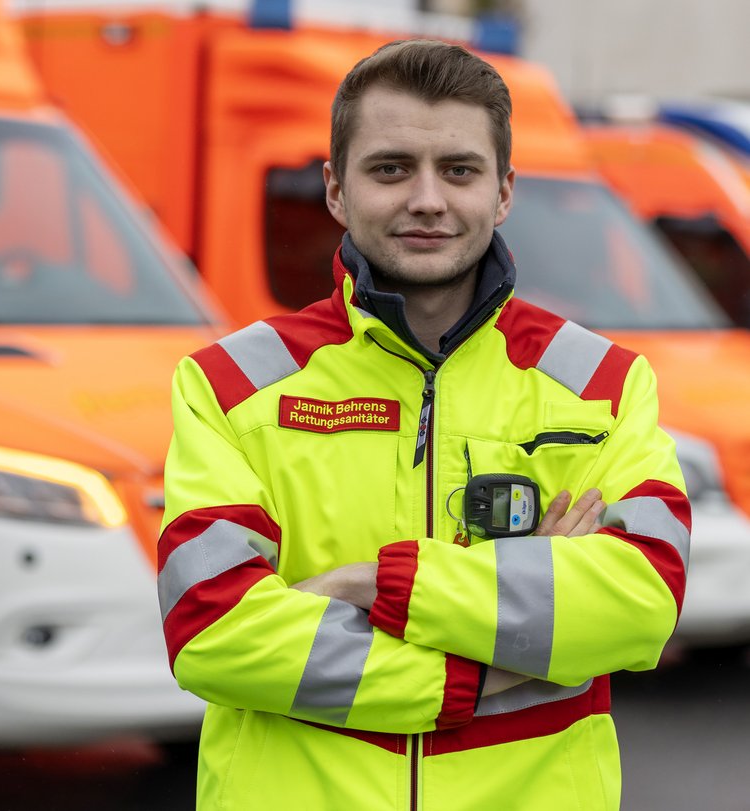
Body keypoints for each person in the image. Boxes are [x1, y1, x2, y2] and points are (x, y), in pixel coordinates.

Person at [158, 39, 690, 810]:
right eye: (391, 168)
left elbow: (643, 600)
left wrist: (378, 582)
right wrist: (482, 664)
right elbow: (212, 629)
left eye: (460, 170)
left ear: (504, 191)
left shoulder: (600, 385)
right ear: (337, 190)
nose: (428, 199)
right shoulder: (231, 384)